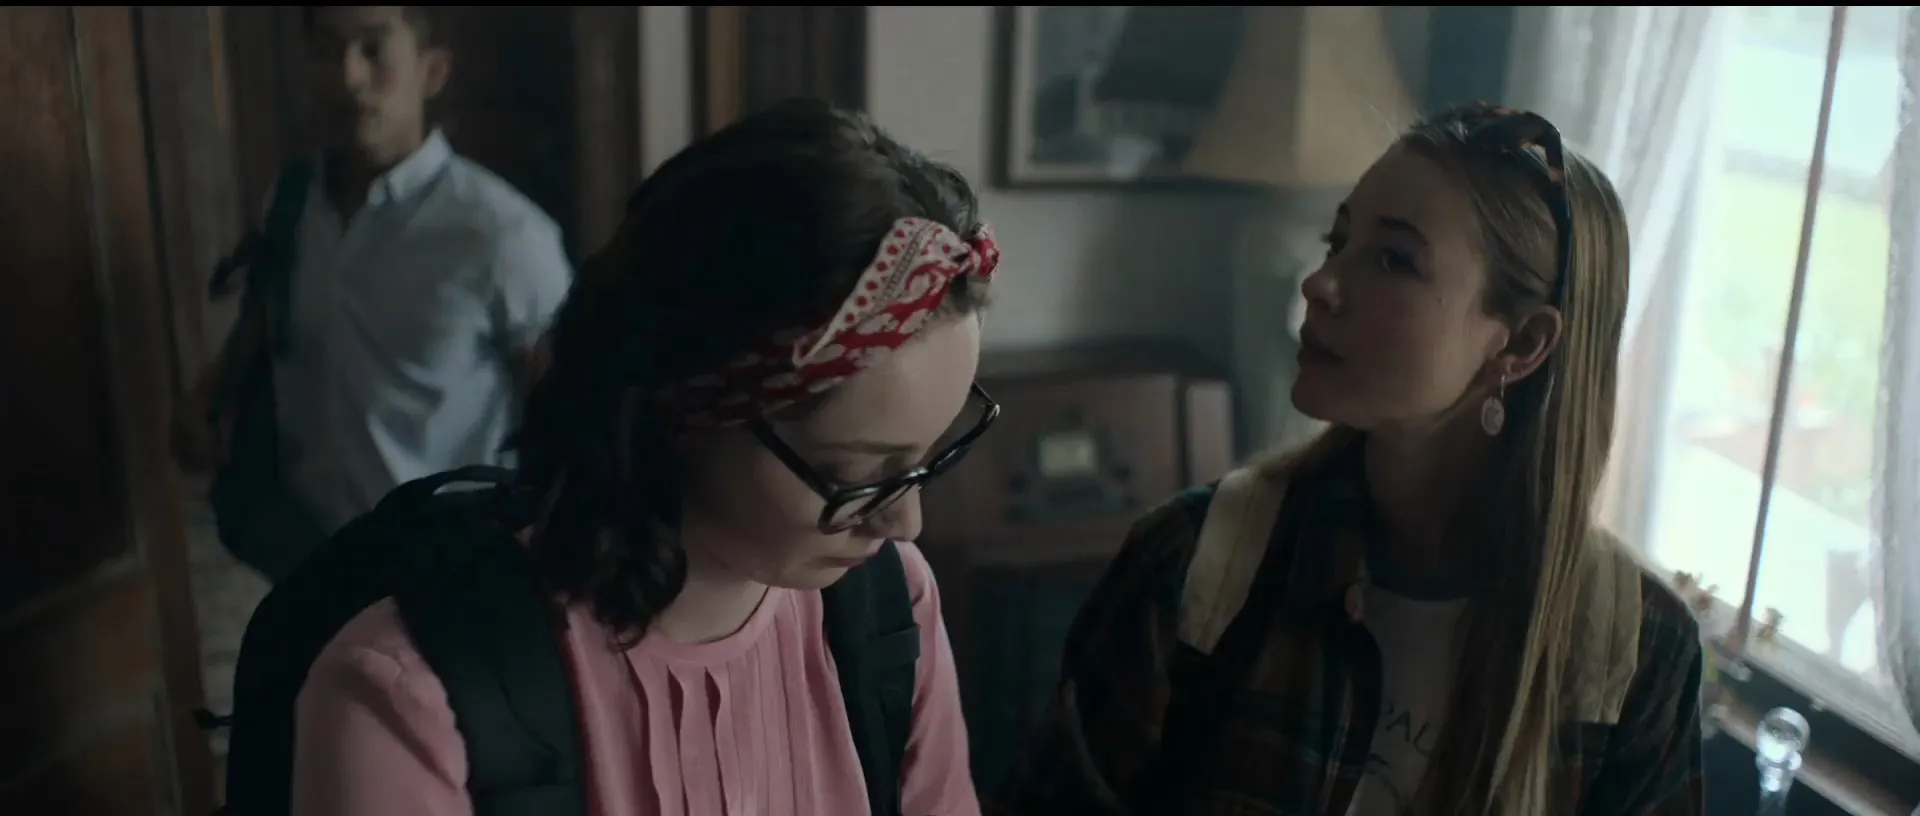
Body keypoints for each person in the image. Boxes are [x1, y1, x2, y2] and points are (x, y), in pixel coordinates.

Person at [287, 100, 997, 815]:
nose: (905, 523)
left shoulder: (889, 609)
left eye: (929, 456)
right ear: (686, 407)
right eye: (852, 474)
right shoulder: (411, 699)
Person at [993, 103, 1704, 815]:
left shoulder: (1639, 654)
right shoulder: (1193, 565)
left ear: (1520, 344)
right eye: (1338, 242)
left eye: (1394, 260)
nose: (1320, 283)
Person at [172, 6, 573, 575]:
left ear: (431, 71)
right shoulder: (293, 202)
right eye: (326, 50)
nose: (348, 76)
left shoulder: (499, 232)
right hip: (309, 553)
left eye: (374, 48)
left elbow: (567, 411)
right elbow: (267, 315)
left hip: (445, 561)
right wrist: (210, 396)